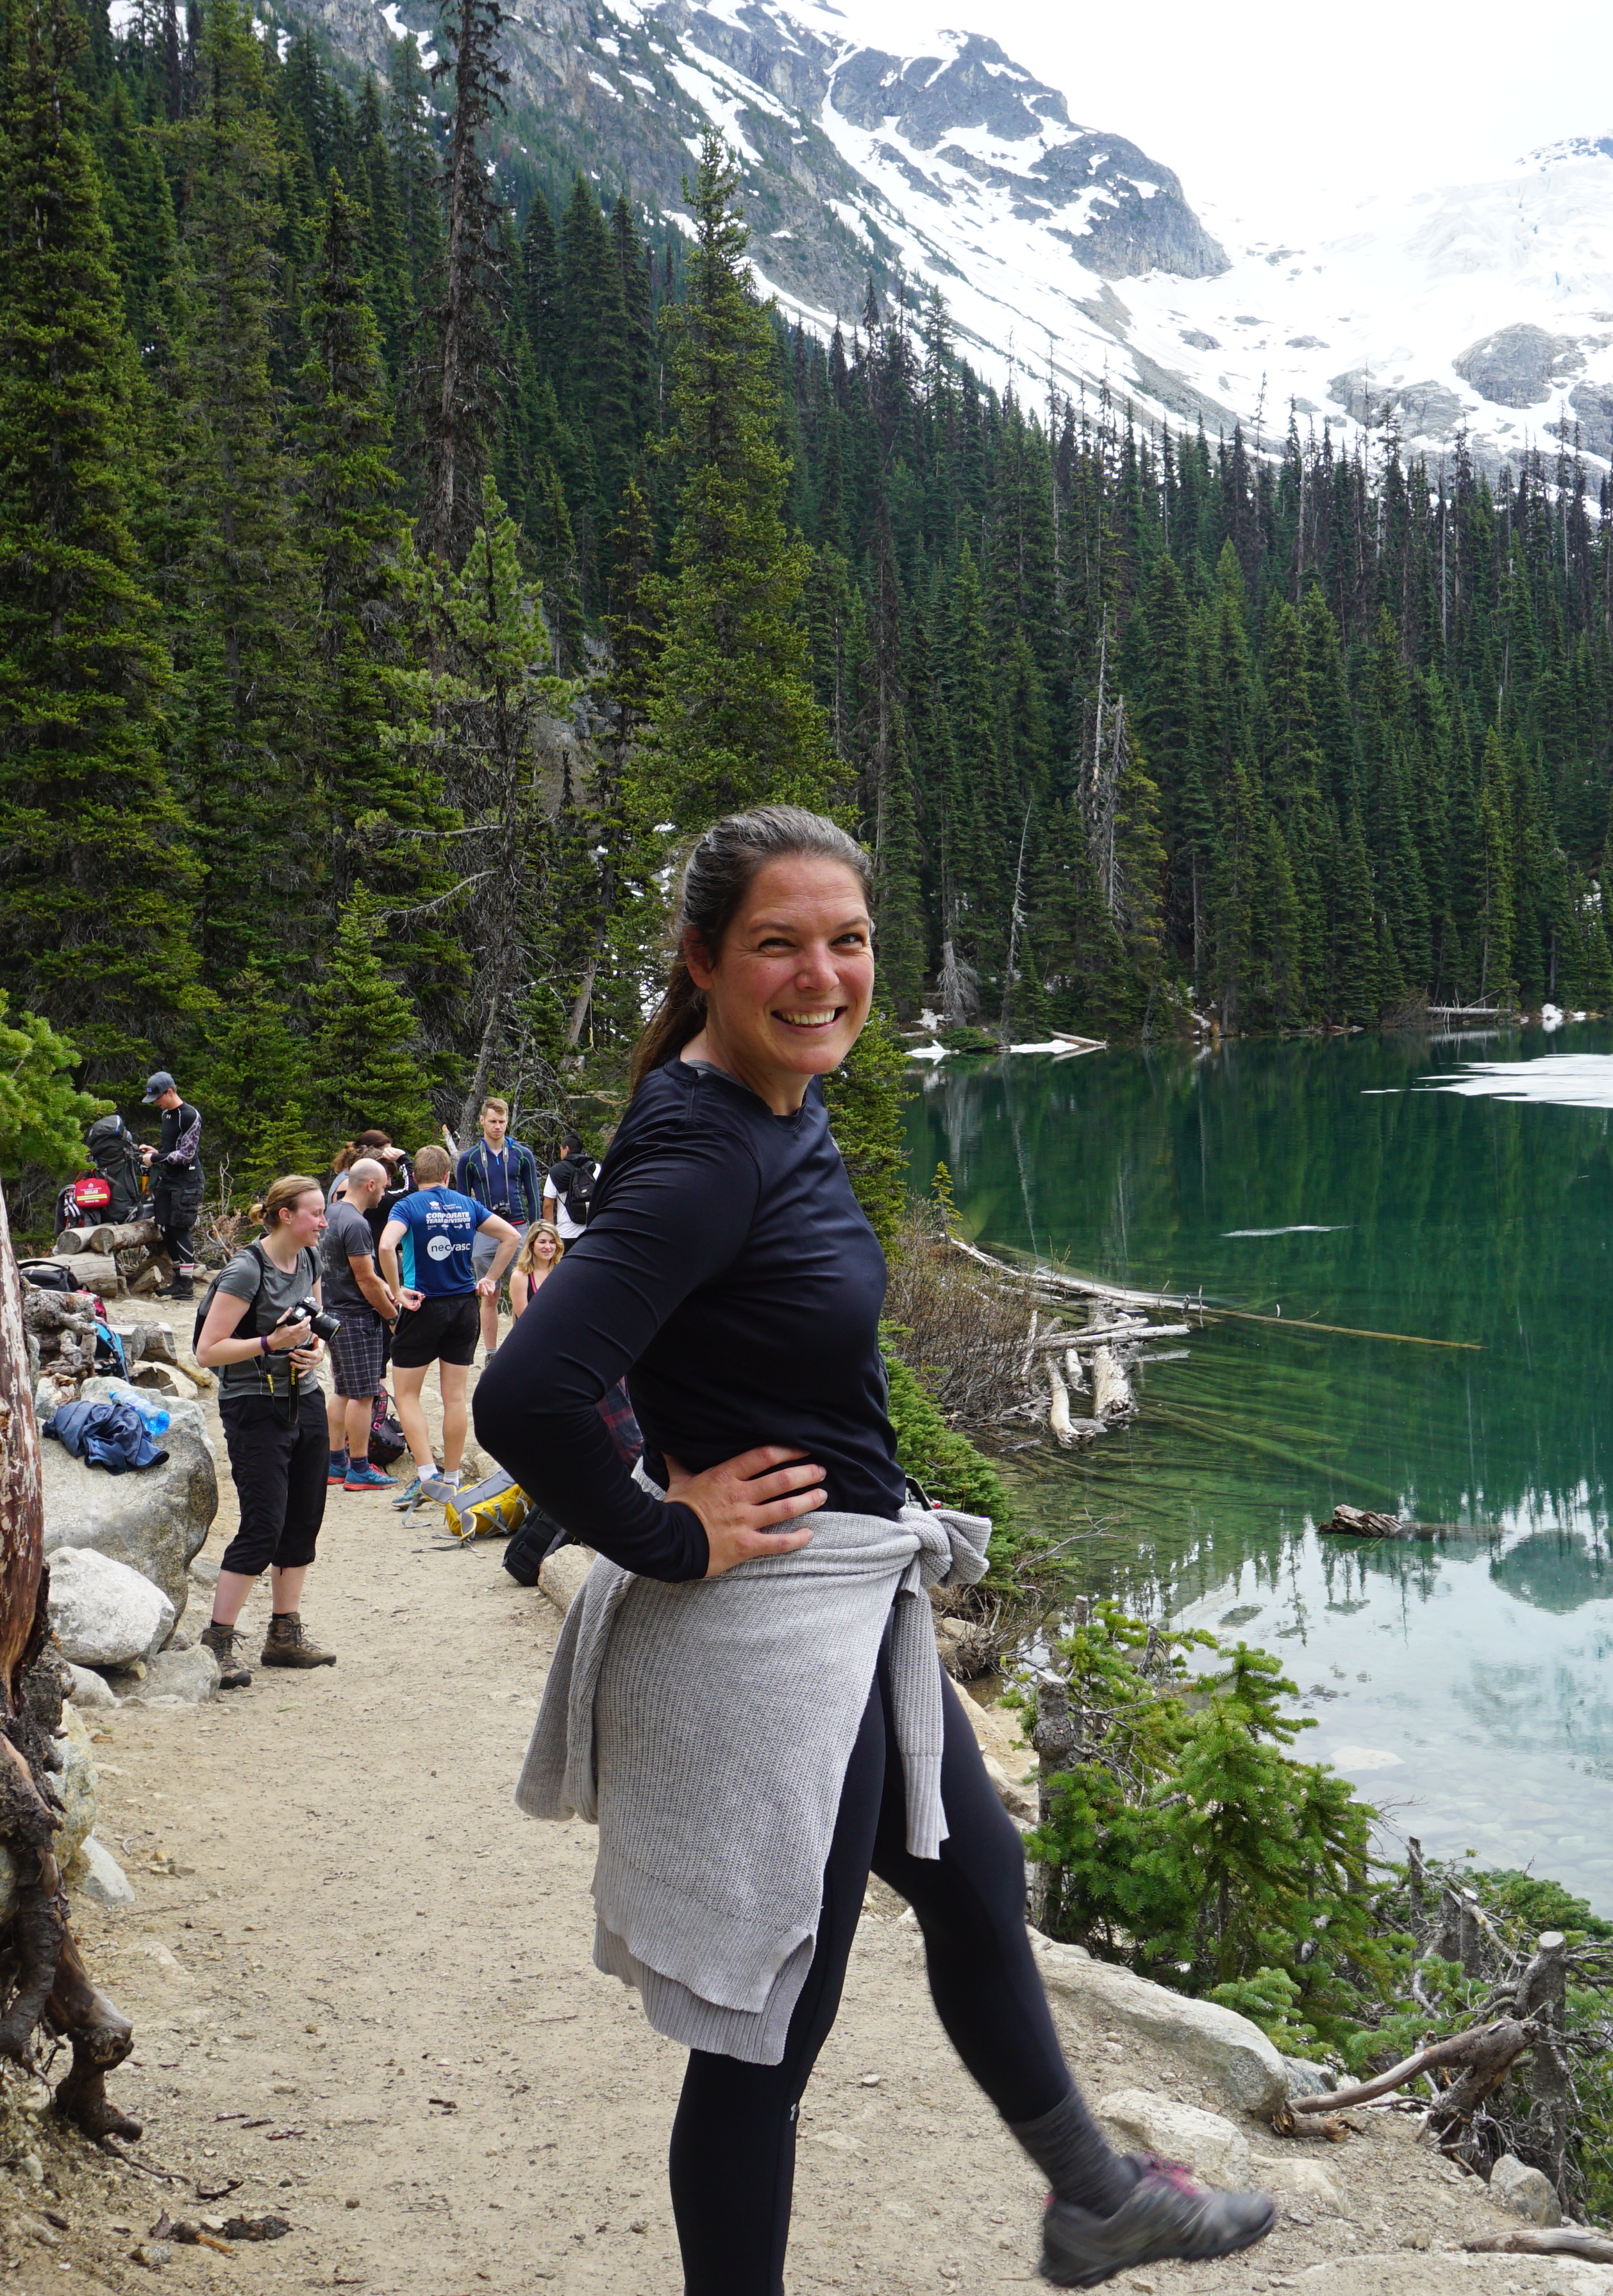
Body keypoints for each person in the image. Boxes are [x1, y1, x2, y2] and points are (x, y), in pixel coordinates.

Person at [477, 805, 1269, 2295]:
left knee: (976, 1882)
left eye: (847, 942)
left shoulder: (774, 1105)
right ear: (705, 957)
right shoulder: (713, 1151)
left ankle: (1094, 2195)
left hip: (847, 1603)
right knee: (773, 2029)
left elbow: (686, 1333)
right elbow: (525, 1389)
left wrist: (675, 1440)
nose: (822, 974)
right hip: (777, 1627)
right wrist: (666, 1527)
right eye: (779, 942)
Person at [189, 1175, 339, 1686]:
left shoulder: (311, 1258)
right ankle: (218, 1641)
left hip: (305, 1397)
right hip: (253, 1406)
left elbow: (316, 1323)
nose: (324, 1222)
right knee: (263, 1524)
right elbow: (208, 1352)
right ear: (284, 1215)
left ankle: (284, 1635)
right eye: (315, 1213)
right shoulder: (245, 1271)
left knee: (303, 1518)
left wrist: (312, 1350)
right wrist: (271, 1343)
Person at [380, 1142, 519, 1503]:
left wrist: (397, 1291)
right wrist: (490, 1278)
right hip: (463, 1307)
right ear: (447, 1175)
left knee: (407, 1394)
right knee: (455, 1397)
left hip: (423, 1305)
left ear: (418, 1176)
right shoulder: (466, 1203)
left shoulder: (407, 1205)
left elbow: (385, 1247)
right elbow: (512, 1236)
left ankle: (428, 1475)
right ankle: (454, 1478)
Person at [317, 1157, 404, 1491]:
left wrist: (388, 1289)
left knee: (342, 1390)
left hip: (334, 1314)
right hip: (356, 1317)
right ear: (370, 1185)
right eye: (383, 1186)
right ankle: (358, 1468)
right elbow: (366, 1279)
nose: (384, 1193)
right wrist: (392, 1317)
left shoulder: (333, 1212)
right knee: (363, 1395)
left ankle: (335, 1462)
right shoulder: (356, 1223)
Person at [458, 1095, 544, 1351]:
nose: (498, 1126)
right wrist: (467, 1236)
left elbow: (533, 1195)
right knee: (489, 1293)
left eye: (502, 1121)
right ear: (482, 1121)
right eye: (493, 1121)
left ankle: (523, 1347)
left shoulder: (522, 1154)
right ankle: (491, 1352)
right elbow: (464, 1200)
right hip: (486, 1231)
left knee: (524, 1292)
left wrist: (535, 1230)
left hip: (518, 1228)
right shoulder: (470, 1159)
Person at [139, 1071, 206, 1298]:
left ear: (170, 1092)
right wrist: (156, 1152)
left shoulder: (189, 1115)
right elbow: (172, 1149)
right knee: (165, 1227)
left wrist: (156, 1159)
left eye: (158, 1098)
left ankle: (186, 1284)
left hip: (188, 1181)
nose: (156, 1103)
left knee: (180, 1228)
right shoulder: (166, 1115)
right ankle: (178, 1277)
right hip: (169, 1179)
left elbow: (187, 1154)